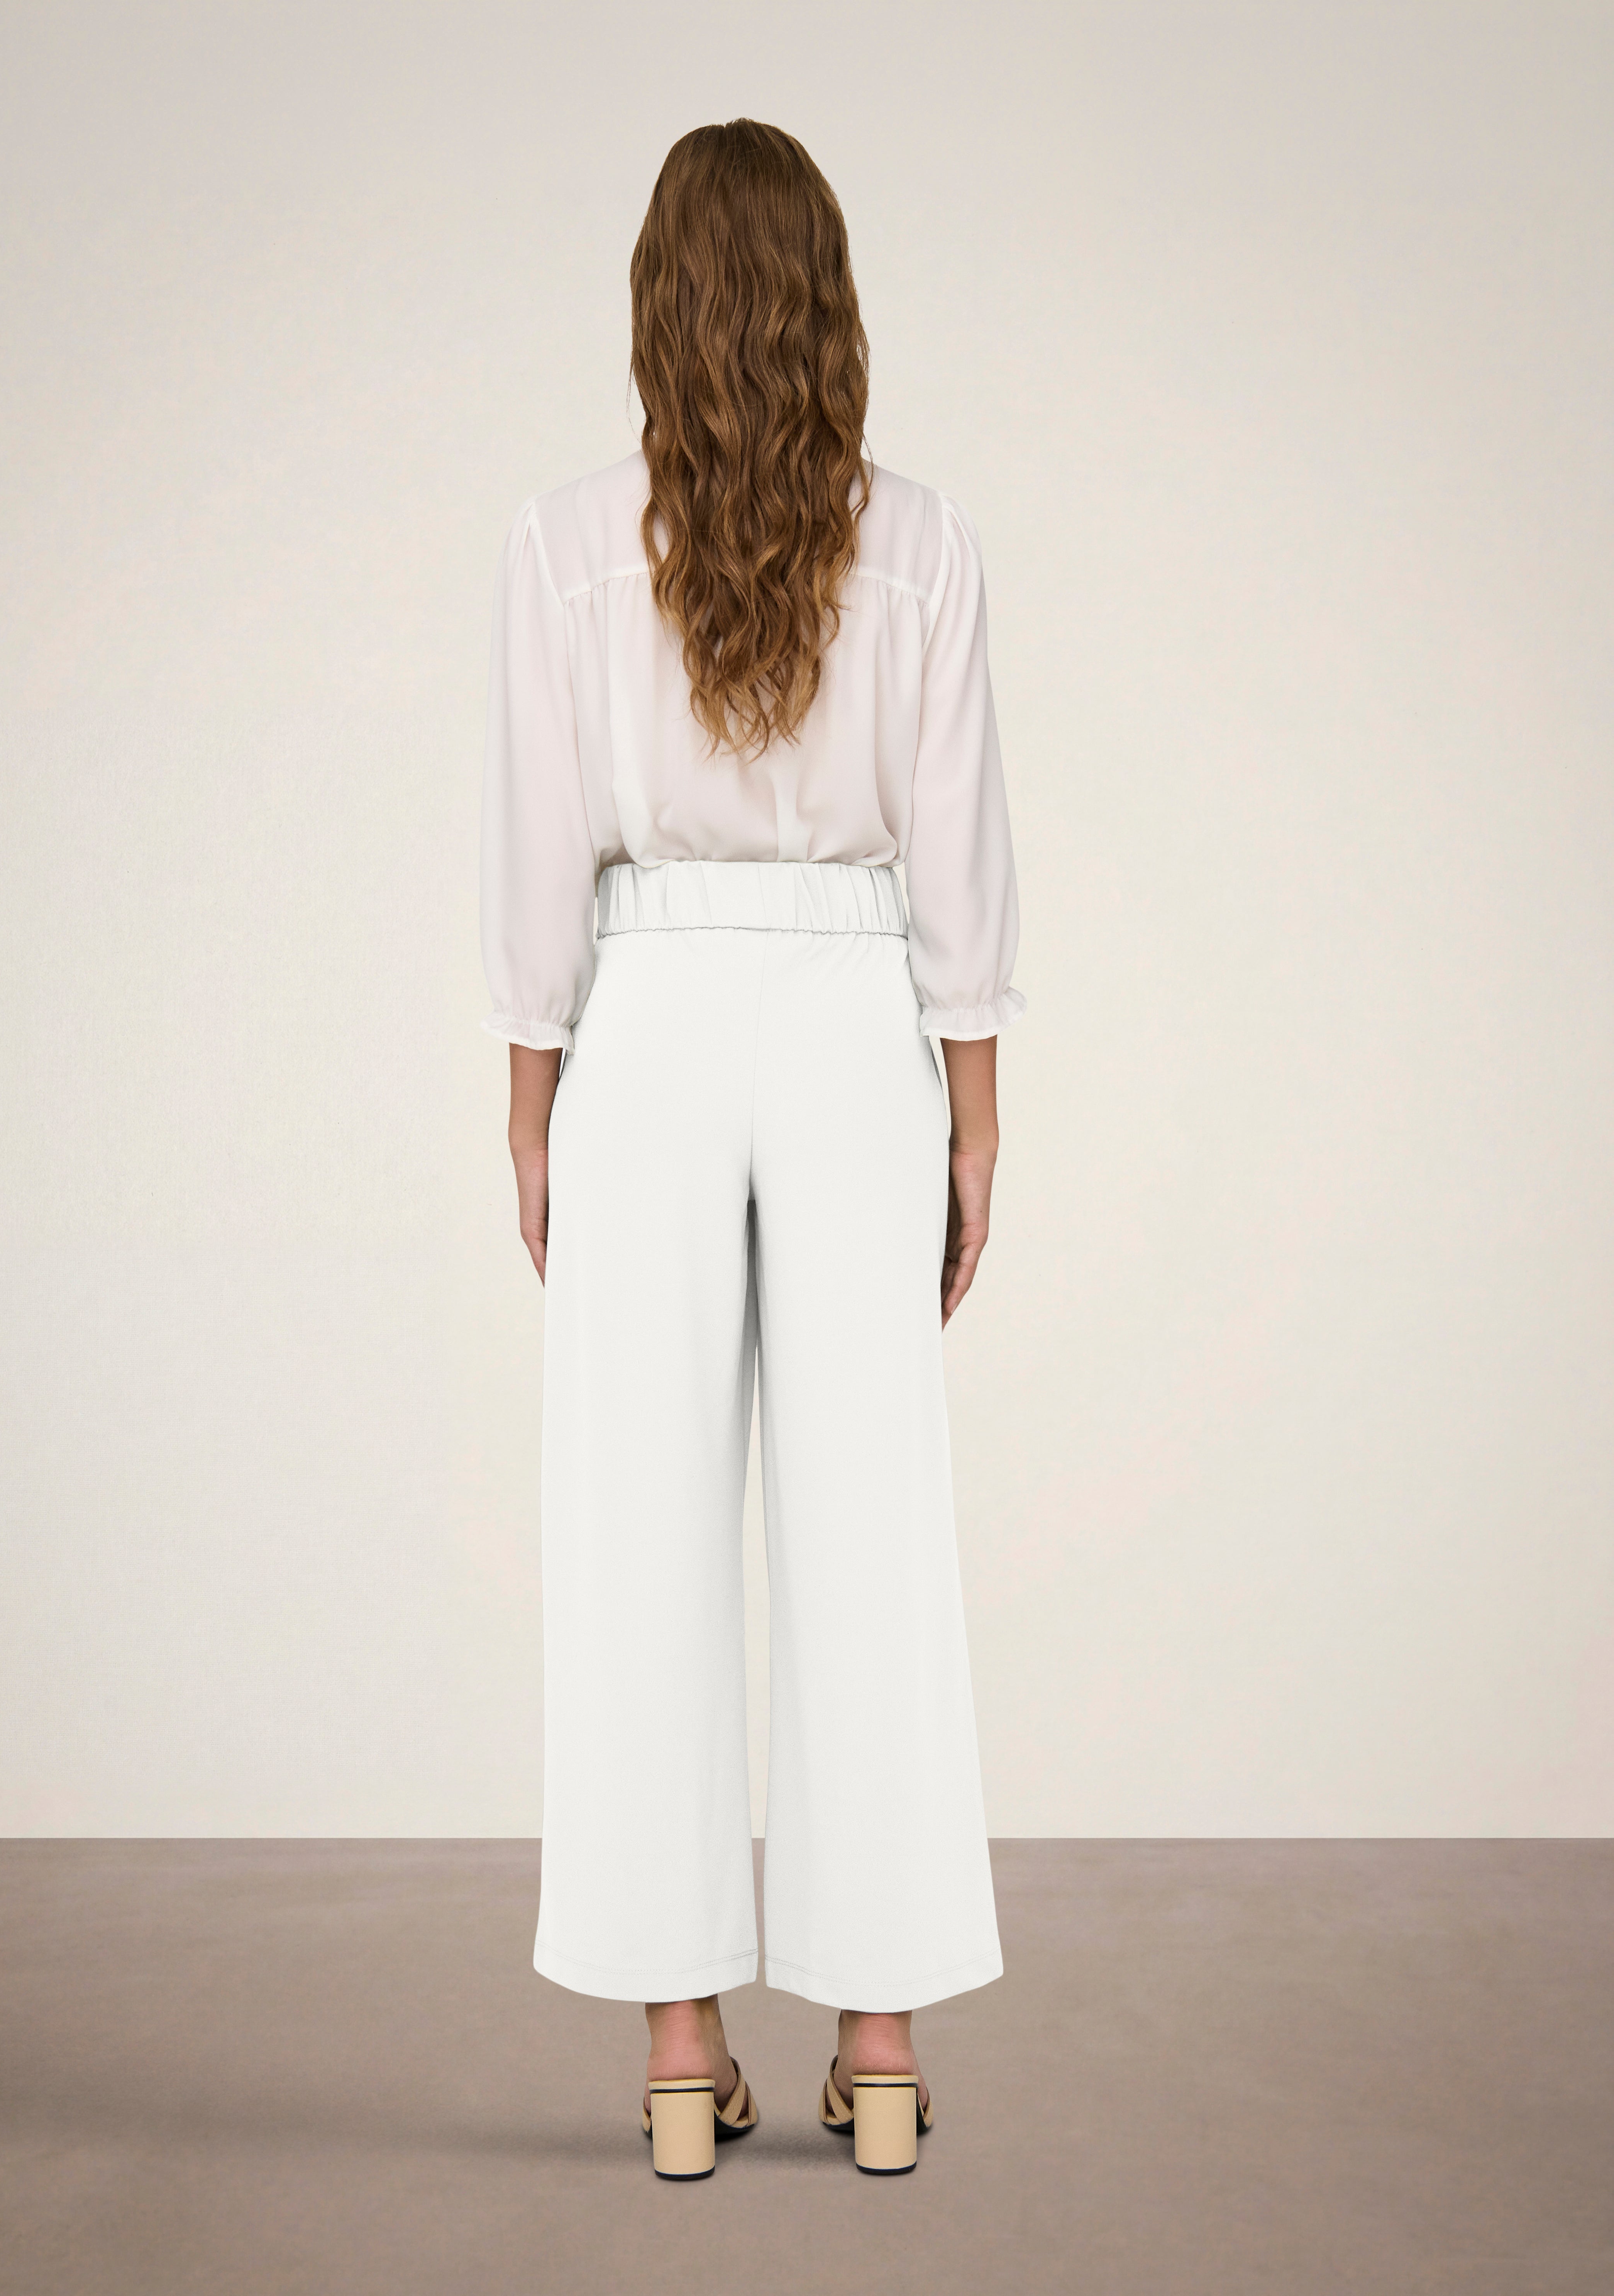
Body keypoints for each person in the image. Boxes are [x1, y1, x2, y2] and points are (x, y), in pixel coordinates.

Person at [479, 118, 1023, 2180]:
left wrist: (531, 1103)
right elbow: (958, 852)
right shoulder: (926, 545)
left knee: (638, 1530)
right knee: (873, 1527)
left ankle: (677, 2057)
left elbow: (539, 855)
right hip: (856, 1022)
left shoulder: (562, 544)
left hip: (643, 1024)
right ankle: (876, 2053)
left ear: (657, 306)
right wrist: (977, 1119)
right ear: (830, 306)